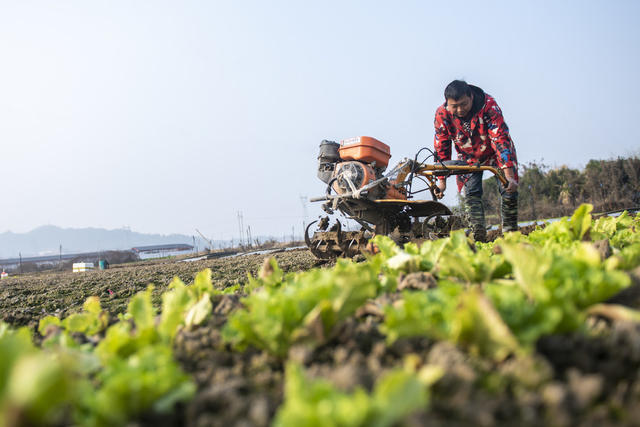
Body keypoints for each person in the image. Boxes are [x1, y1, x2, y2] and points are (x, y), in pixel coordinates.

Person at [433, 80, 519, 242]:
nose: (459, 110)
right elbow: (441, 147)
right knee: (471, 194)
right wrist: (441, 181)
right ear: (447, 104)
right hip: (468, 156)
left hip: (495, 152)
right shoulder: (442, 115)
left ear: (471, 97)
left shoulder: (488, 106)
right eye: (454, 106)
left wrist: (508, 175)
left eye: (464, 104)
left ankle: (510, 235)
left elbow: (500, 138)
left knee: (509, 190)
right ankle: (479, 236)